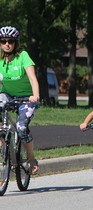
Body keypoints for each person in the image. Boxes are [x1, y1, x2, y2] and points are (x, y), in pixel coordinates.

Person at [0, 26, 40, 174]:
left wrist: (35, 96)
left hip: (26, 97)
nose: (7, 44)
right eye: (3, 41)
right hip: (7, 94)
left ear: (16, 42)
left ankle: (31, 159)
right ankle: (2, 144)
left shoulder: (23, 56)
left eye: (10, 41)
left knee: (22, 128)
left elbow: (32, 79)